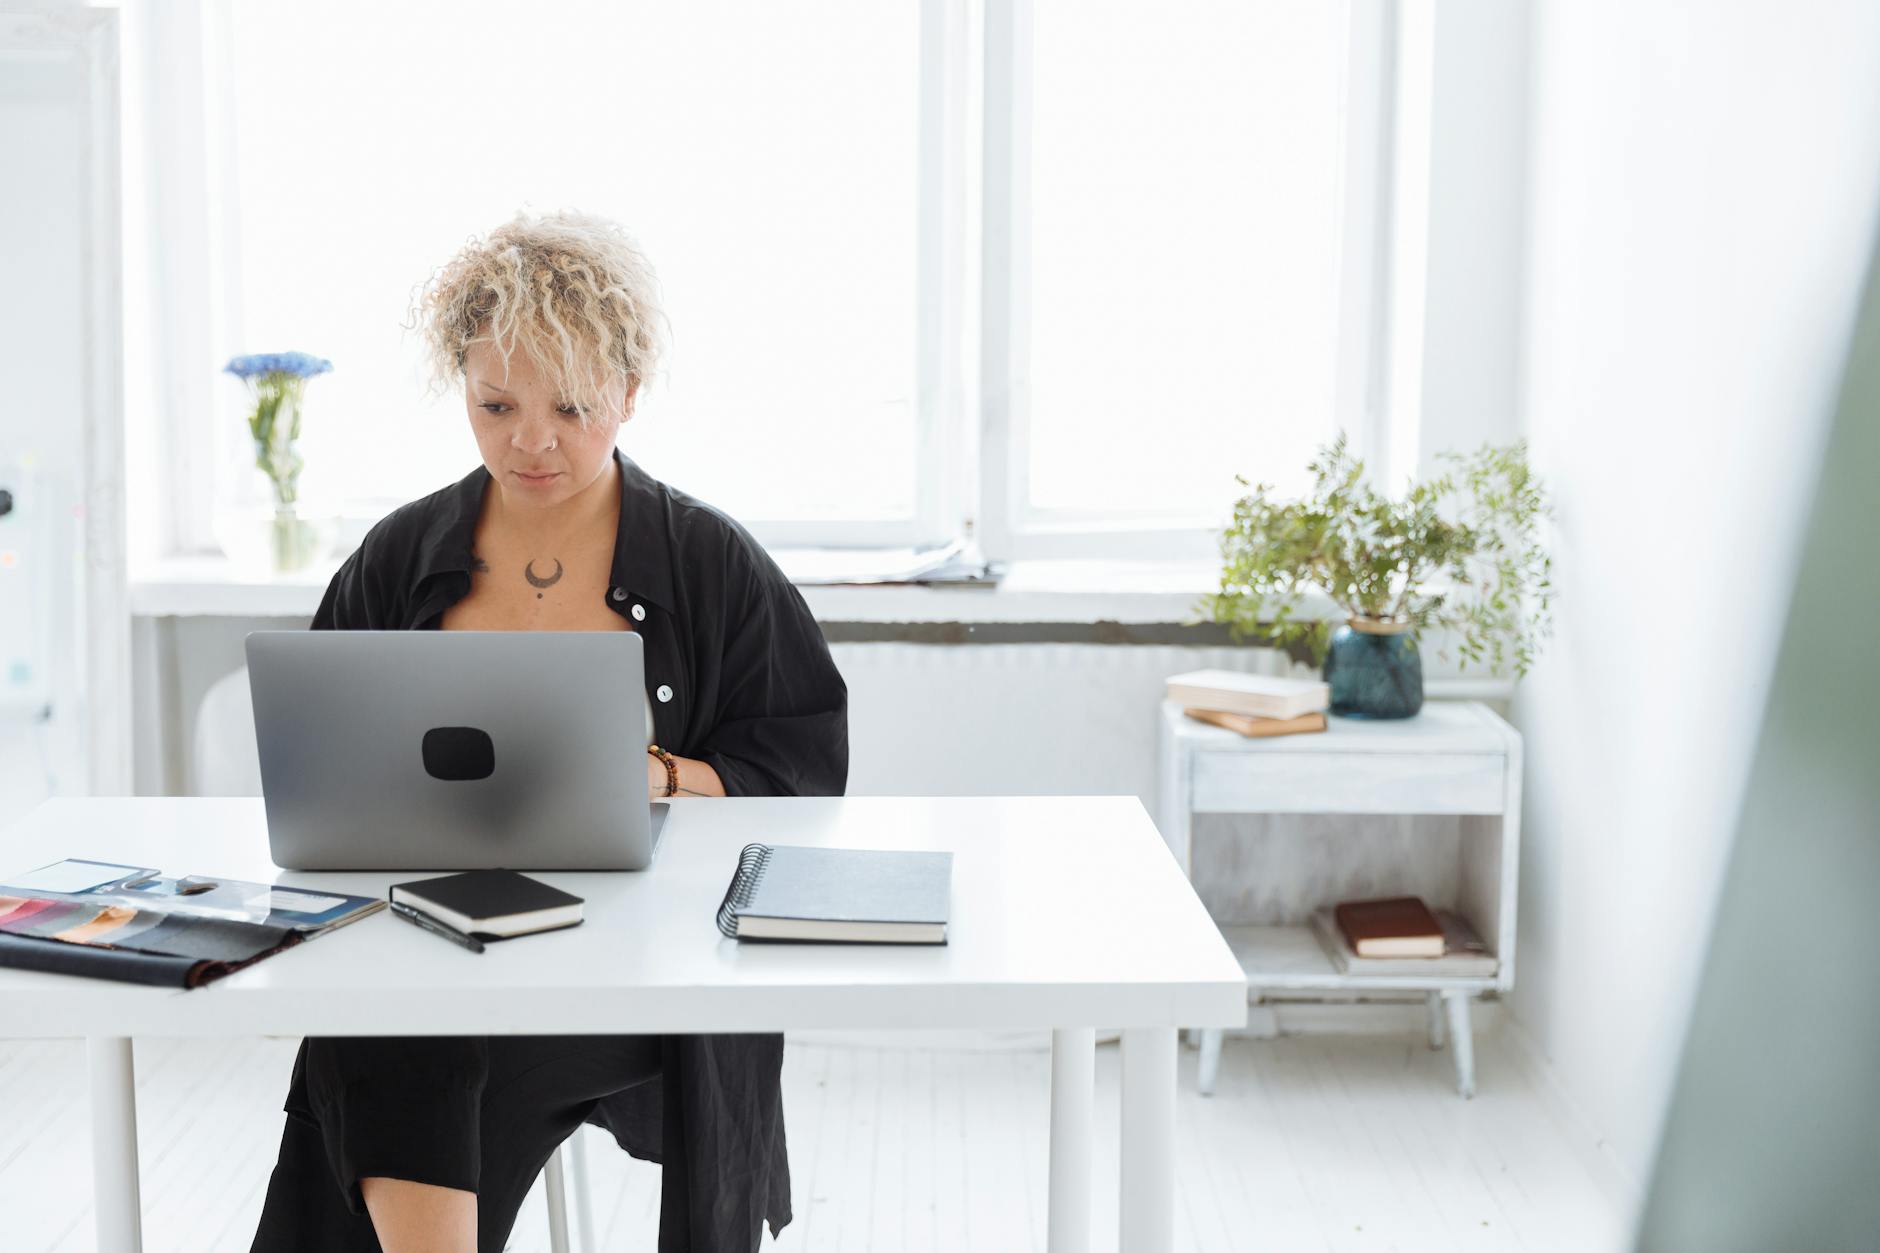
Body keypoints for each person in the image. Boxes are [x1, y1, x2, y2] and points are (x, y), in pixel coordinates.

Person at [250, 209, 848, 1253]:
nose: (531, 439)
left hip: (638, 973)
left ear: (629, 392)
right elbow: (318, 759)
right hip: (431, 942)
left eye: (571, 406)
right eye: (494, 404)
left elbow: (803, 771)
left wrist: (656, 773)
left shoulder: (711, 563)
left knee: (398, 1051)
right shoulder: (399, 556)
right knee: (399, 1024)